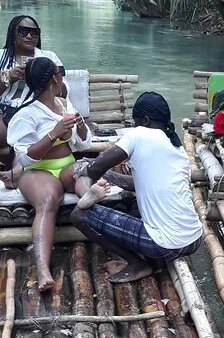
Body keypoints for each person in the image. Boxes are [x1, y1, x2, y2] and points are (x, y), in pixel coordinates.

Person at [70, 92, 203, 283]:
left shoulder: (139, 134)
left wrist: (84, 170)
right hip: (193, 239)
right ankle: (145, 256)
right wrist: (109, 175)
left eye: (135, 122)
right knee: (133, 206)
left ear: (145, 120)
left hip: (166, 244)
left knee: (78, 215)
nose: (134, 126)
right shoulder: (176, 146)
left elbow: (95, 168)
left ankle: (137, 264)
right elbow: (140, 183)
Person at [5, 57, 90, 291]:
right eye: (59, 73)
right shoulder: (26, 114)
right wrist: (53, 134)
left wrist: (81, 127)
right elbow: (25, 157)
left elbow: (82, 144)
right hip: (37, 170)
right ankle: (43, 269)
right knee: (48, 200)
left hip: (66, 165)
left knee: (83, 176)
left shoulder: (64, 105)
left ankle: (91, 201)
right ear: (54, 78)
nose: (61, 77)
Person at [0, 16, 67, 151]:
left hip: (36, 109)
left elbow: (62, 93)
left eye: (34, 32)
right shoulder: (1, 56)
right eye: (23, 31)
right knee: (2, 135)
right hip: (3, 108)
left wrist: (47, 77)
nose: (29, 36)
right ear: (13, 33)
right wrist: (8, 77)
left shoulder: (49, 57)